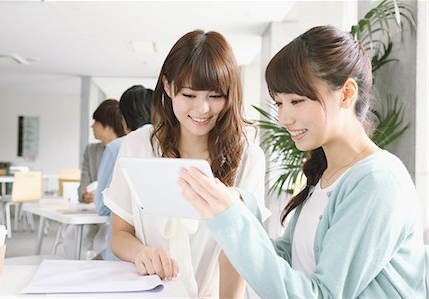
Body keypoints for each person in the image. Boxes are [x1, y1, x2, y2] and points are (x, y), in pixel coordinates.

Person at [179, 25, 427, 298]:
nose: (284, 118)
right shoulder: (326, 174)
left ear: (346, 94)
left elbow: (322, 294)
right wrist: (238, 205)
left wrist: (233, 221)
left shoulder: (378, 181)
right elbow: (289, 260)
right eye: (279, 103)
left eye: (296, 101)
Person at [104, 30, 270, 298]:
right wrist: (142, 253)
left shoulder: (248, 157)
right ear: (168, 86)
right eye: (189, 95)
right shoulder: (138, 146)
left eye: (215, 96)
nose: (202, 109)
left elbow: (238, 252)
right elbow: (119, 234)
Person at [94, 85, 153, 260]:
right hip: (157, 256)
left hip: (122, 251)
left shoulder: (118, 147)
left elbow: (102, 207)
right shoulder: (166, 144)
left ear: (123, 117)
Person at [63, 99, 126, 259]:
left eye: (96, 122)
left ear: (108, 125)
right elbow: (82, 184)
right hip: (90, 212)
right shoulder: (91, 151)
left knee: (102, 242)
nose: (92, 126)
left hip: (112, 217)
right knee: (71, 237)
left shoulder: (126, 149)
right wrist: (85, 195)